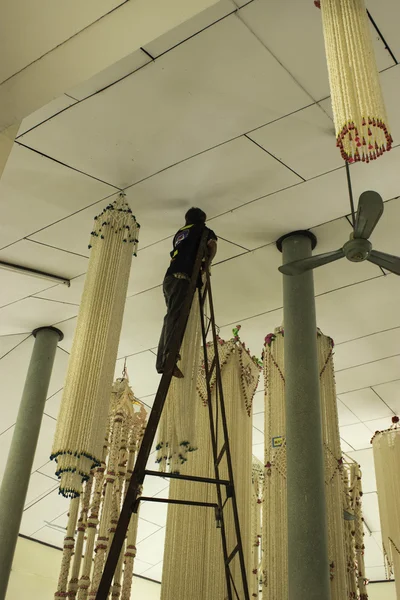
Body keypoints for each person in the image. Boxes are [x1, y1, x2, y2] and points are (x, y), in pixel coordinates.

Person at [156, 207, 217, 378]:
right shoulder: (203, 230)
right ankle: (169, 357)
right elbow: (212, 246)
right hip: (183, 278)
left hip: (169, 278)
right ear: (202, 219)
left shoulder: (180, 233)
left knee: (170, 317)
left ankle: (163, 360)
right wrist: (207, 263)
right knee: (176, 318)